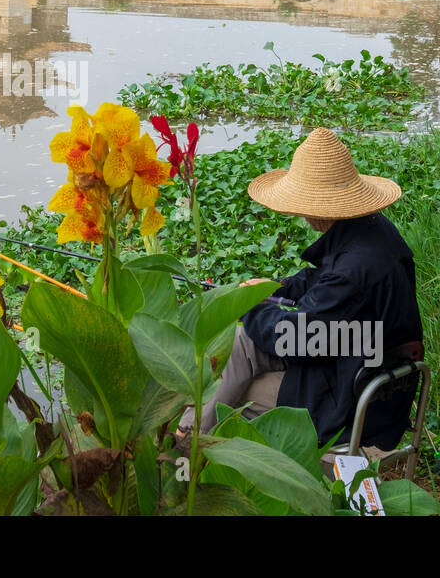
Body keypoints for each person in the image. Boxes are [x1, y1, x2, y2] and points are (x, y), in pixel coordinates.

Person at [181, 127, 423, 451]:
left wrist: (250, 307)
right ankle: (186, 442)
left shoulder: (354, 269)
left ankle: (181, 453)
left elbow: (295, 340)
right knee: (240, 342)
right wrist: (275, 287)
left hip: (352, 403)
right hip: (354, 359)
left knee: (229, 396)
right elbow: (322, 282)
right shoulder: (372, 231)